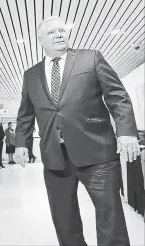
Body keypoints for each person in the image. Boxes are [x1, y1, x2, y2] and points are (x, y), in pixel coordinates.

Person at [14, 16, 142, 246]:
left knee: (110, 217)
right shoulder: (31, 74)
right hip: (55, 159)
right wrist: (21, 143)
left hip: (97, 154)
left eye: (62, 30)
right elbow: (25, 113)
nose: (59, 35)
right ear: (40, 39)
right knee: (64, 220)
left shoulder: (90, 58)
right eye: (52, 32)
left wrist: (126, 132)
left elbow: (118, 97)